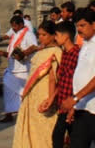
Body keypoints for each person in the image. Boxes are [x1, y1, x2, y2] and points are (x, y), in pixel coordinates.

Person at [60, 8, 95, 148]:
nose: (79, 30)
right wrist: (76, 104)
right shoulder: (85, 44)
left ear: (93, 24)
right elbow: (82, 74)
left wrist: (75, 98)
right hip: (82, 107)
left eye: (82, 25)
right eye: (77, 26)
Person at [12, 20, 61, 148]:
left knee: (44, 128)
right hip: (32, 93)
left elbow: (53, 78)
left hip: (44, 95)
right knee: (32, 127)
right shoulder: (41, 50)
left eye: (44, 35)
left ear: (53, 35)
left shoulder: (56, 52)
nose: (40, 37)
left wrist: (50, 98)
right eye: (39, 34)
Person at [0, 15, 38, 123]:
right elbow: (11, 54)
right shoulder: (14, 36)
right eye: (12, 26)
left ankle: (28, 114)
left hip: (23, 69)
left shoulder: (28, 34)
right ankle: (9, 113)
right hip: (12, 69)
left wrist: (23, 54)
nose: (14, 28)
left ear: (21, 25)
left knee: (23, 93)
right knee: (8, 92)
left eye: (15, 26)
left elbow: (34, 46)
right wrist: (4, 53)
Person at [48, 21, 79, 148]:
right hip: (63, 102)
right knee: (64, 135)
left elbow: (79, 81)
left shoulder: (78, 54)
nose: (55, 38)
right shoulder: (64, 54)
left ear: (65, 36)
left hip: (72, 102)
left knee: (59, 135)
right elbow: (61, 80)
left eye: (57, 35)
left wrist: (75, 104)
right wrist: (52, 98)